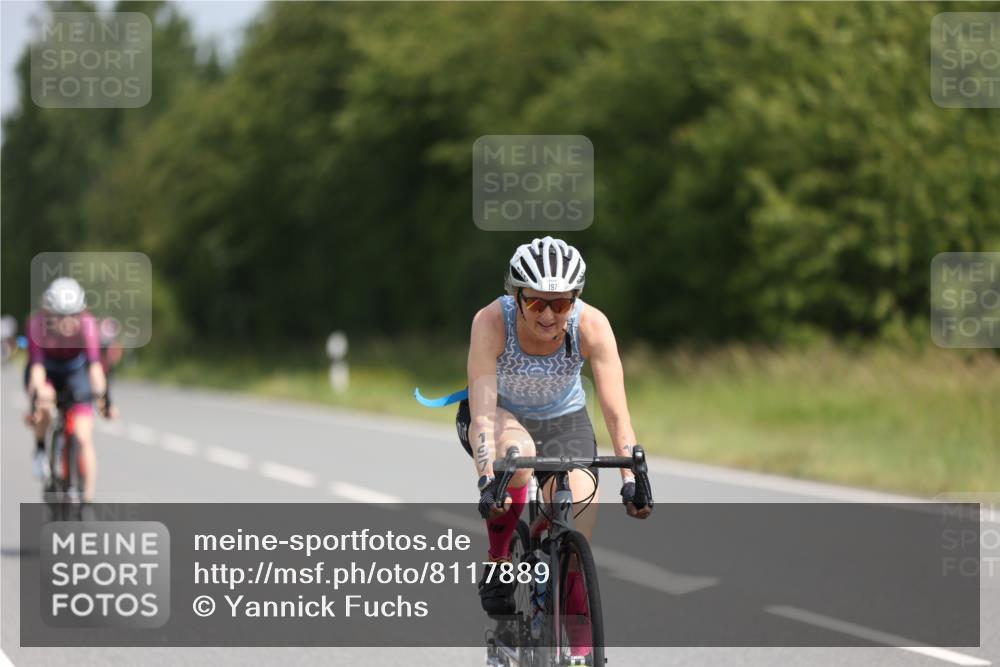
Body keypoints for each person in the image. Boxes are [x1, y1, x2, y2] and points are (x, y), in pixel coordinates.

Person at [456, 236, 651, 660]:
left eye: (560, 304)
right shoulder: (491, 322)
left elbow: (618, 415)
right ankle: (500, 559)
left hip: (565, 422)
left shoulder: (591, 326)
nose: (548, 314)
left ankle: (580, 651)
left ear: (575, 300)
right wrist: (489, 481)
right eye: (536, 303)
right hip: (501, 415)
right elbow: (484, 415)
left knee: (579, 518)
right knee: (518, 462)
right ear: (517, 296)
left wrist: (633, 479)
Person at [23, 277, 109, 501]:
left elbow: (95, 368)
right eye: (60, 315)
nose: (68, 321)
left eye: (74, 315)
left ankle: (87, 500)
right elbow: (37, 369)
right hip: (47, 371)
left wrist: (103, 398)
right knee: (45, 401)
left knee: (83, 436)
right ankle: (41, 448)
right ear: (48, 313)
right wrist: (38, 395)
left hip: (75, 371)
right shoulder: (37, 325)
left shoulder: (88, 325)